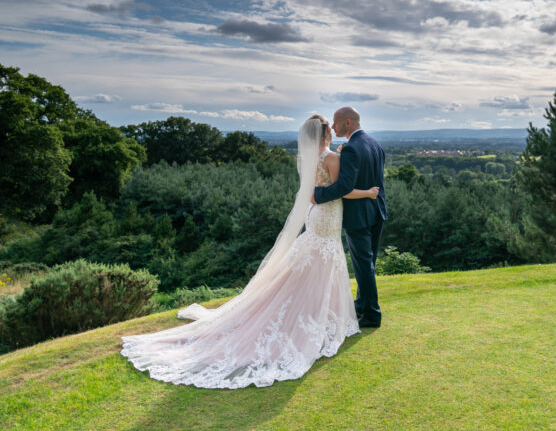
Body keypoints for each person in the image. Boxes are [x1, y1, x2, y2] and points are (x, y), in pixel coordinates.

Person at [120, 114, 379, 389]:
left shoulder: (309, 159)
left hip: (315, 215)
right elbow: (342, 190)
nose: (333, 131)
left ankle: (315, 315)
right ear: (327, 134)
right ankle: (318, 318)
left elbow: (315, 192)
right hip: (328, 215)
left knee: (310, 260)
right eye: (330, 129)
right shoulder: (332, 158)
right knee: (322, 260)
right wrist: (368, 193)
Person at [313, 107, 387, 328]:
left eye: (335, 123)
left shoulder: (351, 149)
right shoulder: (374, 143)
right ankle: (362, 304)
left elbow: (345, 186)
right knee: (368, 263)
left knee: (363, 265)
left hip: (359, 215)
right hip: (377, 211)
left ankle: (372, 314)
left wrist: (316, 195)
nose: (333, 128)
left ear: (347, 122)